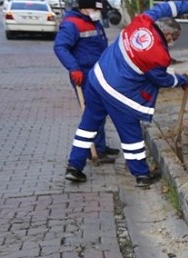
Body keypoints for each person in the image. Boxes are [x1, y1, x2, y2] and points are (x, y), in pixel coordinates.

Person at [63, 0, 188, 188]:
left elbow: (167, 8)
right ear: (167, 34)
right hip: (119, 93)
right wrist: (182, 81)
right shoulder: (159, 55)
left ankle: (74, 167)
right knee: (131, 134)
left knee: (87, 127)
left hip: (97, 79)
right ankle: (142, 175)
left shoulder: (141, 21)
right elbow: (161, 79)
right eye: (174, 37)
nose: (173, 41)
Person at [54, 0, 117, 164]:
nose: (98, 12)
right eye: (95, 9)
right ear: (84, 8)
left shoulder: (93, 22)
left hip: (97, 72)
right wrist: (73, 68)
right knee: (92, 112)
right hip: (83, 74)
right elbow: (60, 47)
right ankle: (92, 151)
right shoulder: (72, 24)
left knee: (100, 110)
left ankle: (100, 146)